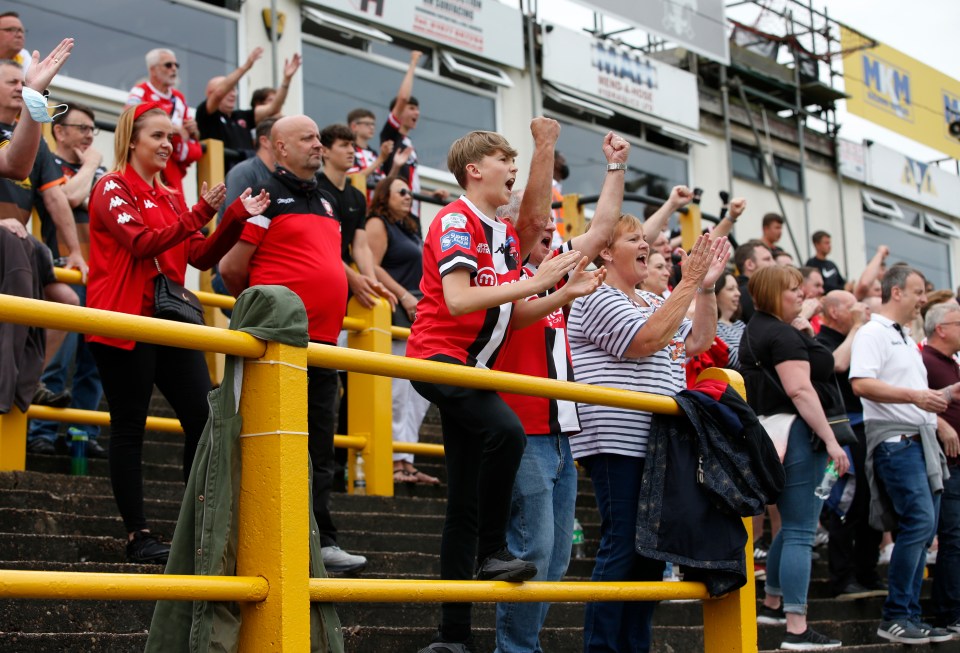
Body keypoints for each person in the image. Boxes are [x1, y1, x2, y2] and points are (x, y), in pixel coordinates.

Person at [407, 122, 586, 653]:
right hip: (441, 359)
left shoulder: (504, 236)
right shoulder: (455, 221)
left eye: (515, 159)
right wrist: (536, 279)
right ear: (474, 170)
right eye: (505, 159)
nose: (513, 169)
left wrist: (563, 290)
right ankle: (492, 550)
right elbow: (460, 300)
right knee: (507, 431)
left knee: (461, 504)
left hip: (474, 367)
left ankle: (453, 636)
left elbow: (516, 311)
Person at [86, 102, 269, 565]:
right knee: (130, 426)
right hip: (123, 319)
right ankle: (137, 534)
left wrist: (232, 218)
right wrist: (196, 212)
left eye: (171, 137)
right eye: (158, 137)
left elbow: (200, 258)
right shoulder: (110, 187)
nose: (168, 145)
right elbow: (141, 244)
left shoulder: (169, 195)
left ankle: (196, 527)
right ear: (132, 141)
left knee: (204, 419)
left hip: (170, 320)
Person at [494, 128, 634, 653]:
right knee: (535, 549)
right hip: (523, 427)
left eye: (556, 231)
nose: (551, 236)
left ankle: (520, 646)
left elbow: (600, 230)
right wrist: (544, 149)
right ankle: (516, 650)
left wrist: (616, 167)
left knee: (555, 558)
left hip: (561, 433)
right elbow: (531, 218)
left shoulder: (553, 276)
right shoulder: (507, 270)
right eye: (543, 230)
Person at [568, 218, 730, 653]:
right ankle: (602, 647)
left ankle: (634, 645)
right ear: (605, 251)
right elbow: (646, 339)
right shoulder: (595, 293)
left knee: (651, 551)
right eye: (634, 239)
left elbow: (699, 340)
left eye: (646, 239)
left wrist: (706, 288)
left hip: (658, 440)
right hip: (616, 437)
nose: (647, 245)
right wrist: (689, 279)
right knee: (623, 542)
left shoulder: (652, 297)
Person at [219, 115, 369, 575]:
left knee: (320, 450)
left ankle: (320, 542)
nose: (318, 145)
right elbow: (231, 269)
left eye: (318, 137)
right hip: (278, 345)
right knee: (272, 443)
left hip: (323, 345)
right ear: (279, 147)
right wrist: (268, 310)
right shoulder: (266, 197)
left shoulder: (327, 200)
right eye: (307, 138)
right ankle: (262, 538)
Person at [740, 264, 849, 650]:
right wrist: (832, 441)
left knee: (791, 527)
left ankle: (771, 603)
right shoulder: (780, 334)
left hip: (774, 434)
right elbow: (801, 391)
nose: (801, 295)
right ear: (772, 294)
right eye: (793, 290)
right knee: (801, 530)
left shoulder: (758, 329)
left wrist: (805, 333)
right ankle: (797, 627)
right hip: (799, 436)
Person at [850, 266, 955, 645]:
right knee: (920, 523)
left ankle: (906, 613)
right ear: (896, 293)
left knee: (924, 528)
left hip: (917, 440)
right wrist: (916, 398)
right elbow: (860, 383)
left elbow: (916, 396)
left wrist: (944, 400)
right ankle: (896, 614)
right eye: (917, 291)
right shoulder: (874, 333)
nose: (924, 298)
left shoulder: (906, 338)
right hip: (897, 443)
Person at [27, 103, 108, 457]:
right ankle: (40, 431)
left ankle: (82, 431)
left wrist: (86, 183)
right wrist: (89, 169)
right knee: (60, 357)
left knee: (96, 361)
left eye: (93, 130)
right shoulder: (48, 163)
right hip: (63, 271)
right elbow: (70, 197)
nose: (90, 136)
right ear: (59, 131)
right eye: (82, 128)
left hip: (102, 275)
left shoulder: (101, 171)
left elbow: (103, 206)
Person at [364, 175, 437, 485]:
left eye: (410, 192)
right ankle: (394, 462)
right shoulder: (378, 223)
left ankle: (407, 461)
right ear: (385, 196)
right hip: (395, 312)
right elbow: (373, 265)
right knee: (396, 394)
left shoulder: (410, 227)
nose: (409, 196)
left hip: (417, 316)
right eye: (402, 192)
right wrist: (405, 295)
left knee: (417, 394)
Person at [816, 291, 886, 601]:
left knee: (872, 501)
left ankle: (866, 572)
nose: (859, 310)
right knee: (844, 501)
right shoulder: (821, 340)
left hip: (868, 427)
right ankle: (842, 578)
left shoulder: (862, 338)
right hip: (840, 431)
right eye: (850, 306)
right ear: (832, 311)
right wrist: (858, 326)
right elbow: (836, 365)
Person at [920, 302, 960, 634]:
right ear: (941, 328)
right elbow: (915, 401)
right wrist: (939, 423)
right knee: (953, 539)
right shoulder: (925, 360)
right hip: (946, 466)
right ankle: (949, 612)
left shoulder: (951, 362)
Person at [197, 48, 301, 171]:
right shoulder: (206, 114)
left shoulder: (241, 116)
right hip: (219, 179)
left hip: (247, 175)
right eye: (228, 89)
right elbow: (219, 94)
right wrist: (246, 66)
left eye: (234, 90)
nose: (232, 94)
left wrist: (286, 80)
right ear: (210, 94)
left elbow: (273, 108)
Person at [380, 50, 448, 216]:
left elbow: (410, 185)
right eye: (411, 108)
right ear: (398, 111)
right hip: (396, 213)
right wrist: (413, 63)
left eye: (417, 109)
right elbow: (402, 97)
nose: (416, 113)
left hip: (413, 216)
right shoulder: (390, 136)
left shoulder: (409, 143)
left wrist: (429, 195)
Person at [126, 48, 202, 194]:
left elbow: (193, 138)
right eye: (168, 65)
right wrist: (174, 130)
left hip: (173, 170)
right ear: (153, 70)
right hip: (145, 167)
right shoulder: (140, 91)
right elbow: (129, 120)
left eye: (176, 65)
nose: (174, 69)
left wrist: (194, 131)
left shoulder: (179, 97)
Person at [0, 37, 74, 181]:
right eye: (11, 82)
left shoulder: (33, 137)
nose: (20, 88)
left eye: (22, 83)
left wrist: (34, 93)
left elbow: (15, 167)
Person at [347, 107, 394, 202]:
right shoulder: (349, 150)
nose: (372, 127)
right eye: (367, 124)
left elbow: (383, 182)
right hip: (357, 205)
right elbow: (354, 178)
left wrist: (397, 164)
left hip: (375, 208)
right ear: (354, 126)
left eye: (373, 124)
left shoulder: (374, 154)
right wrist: (380, 159)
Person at [733, 240, 774, 323]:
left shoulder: (743, 291)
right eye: (767, 259)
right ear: (750, 264)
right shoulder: (750, 293)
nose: (774, 263)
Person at [715, 270, 745, 370]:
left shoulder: (739, 324)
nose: (738, 293)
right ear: (715, 294)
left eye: (737, 288)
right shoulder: (713, 328)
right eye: (731, 289)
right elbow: (734, 359)